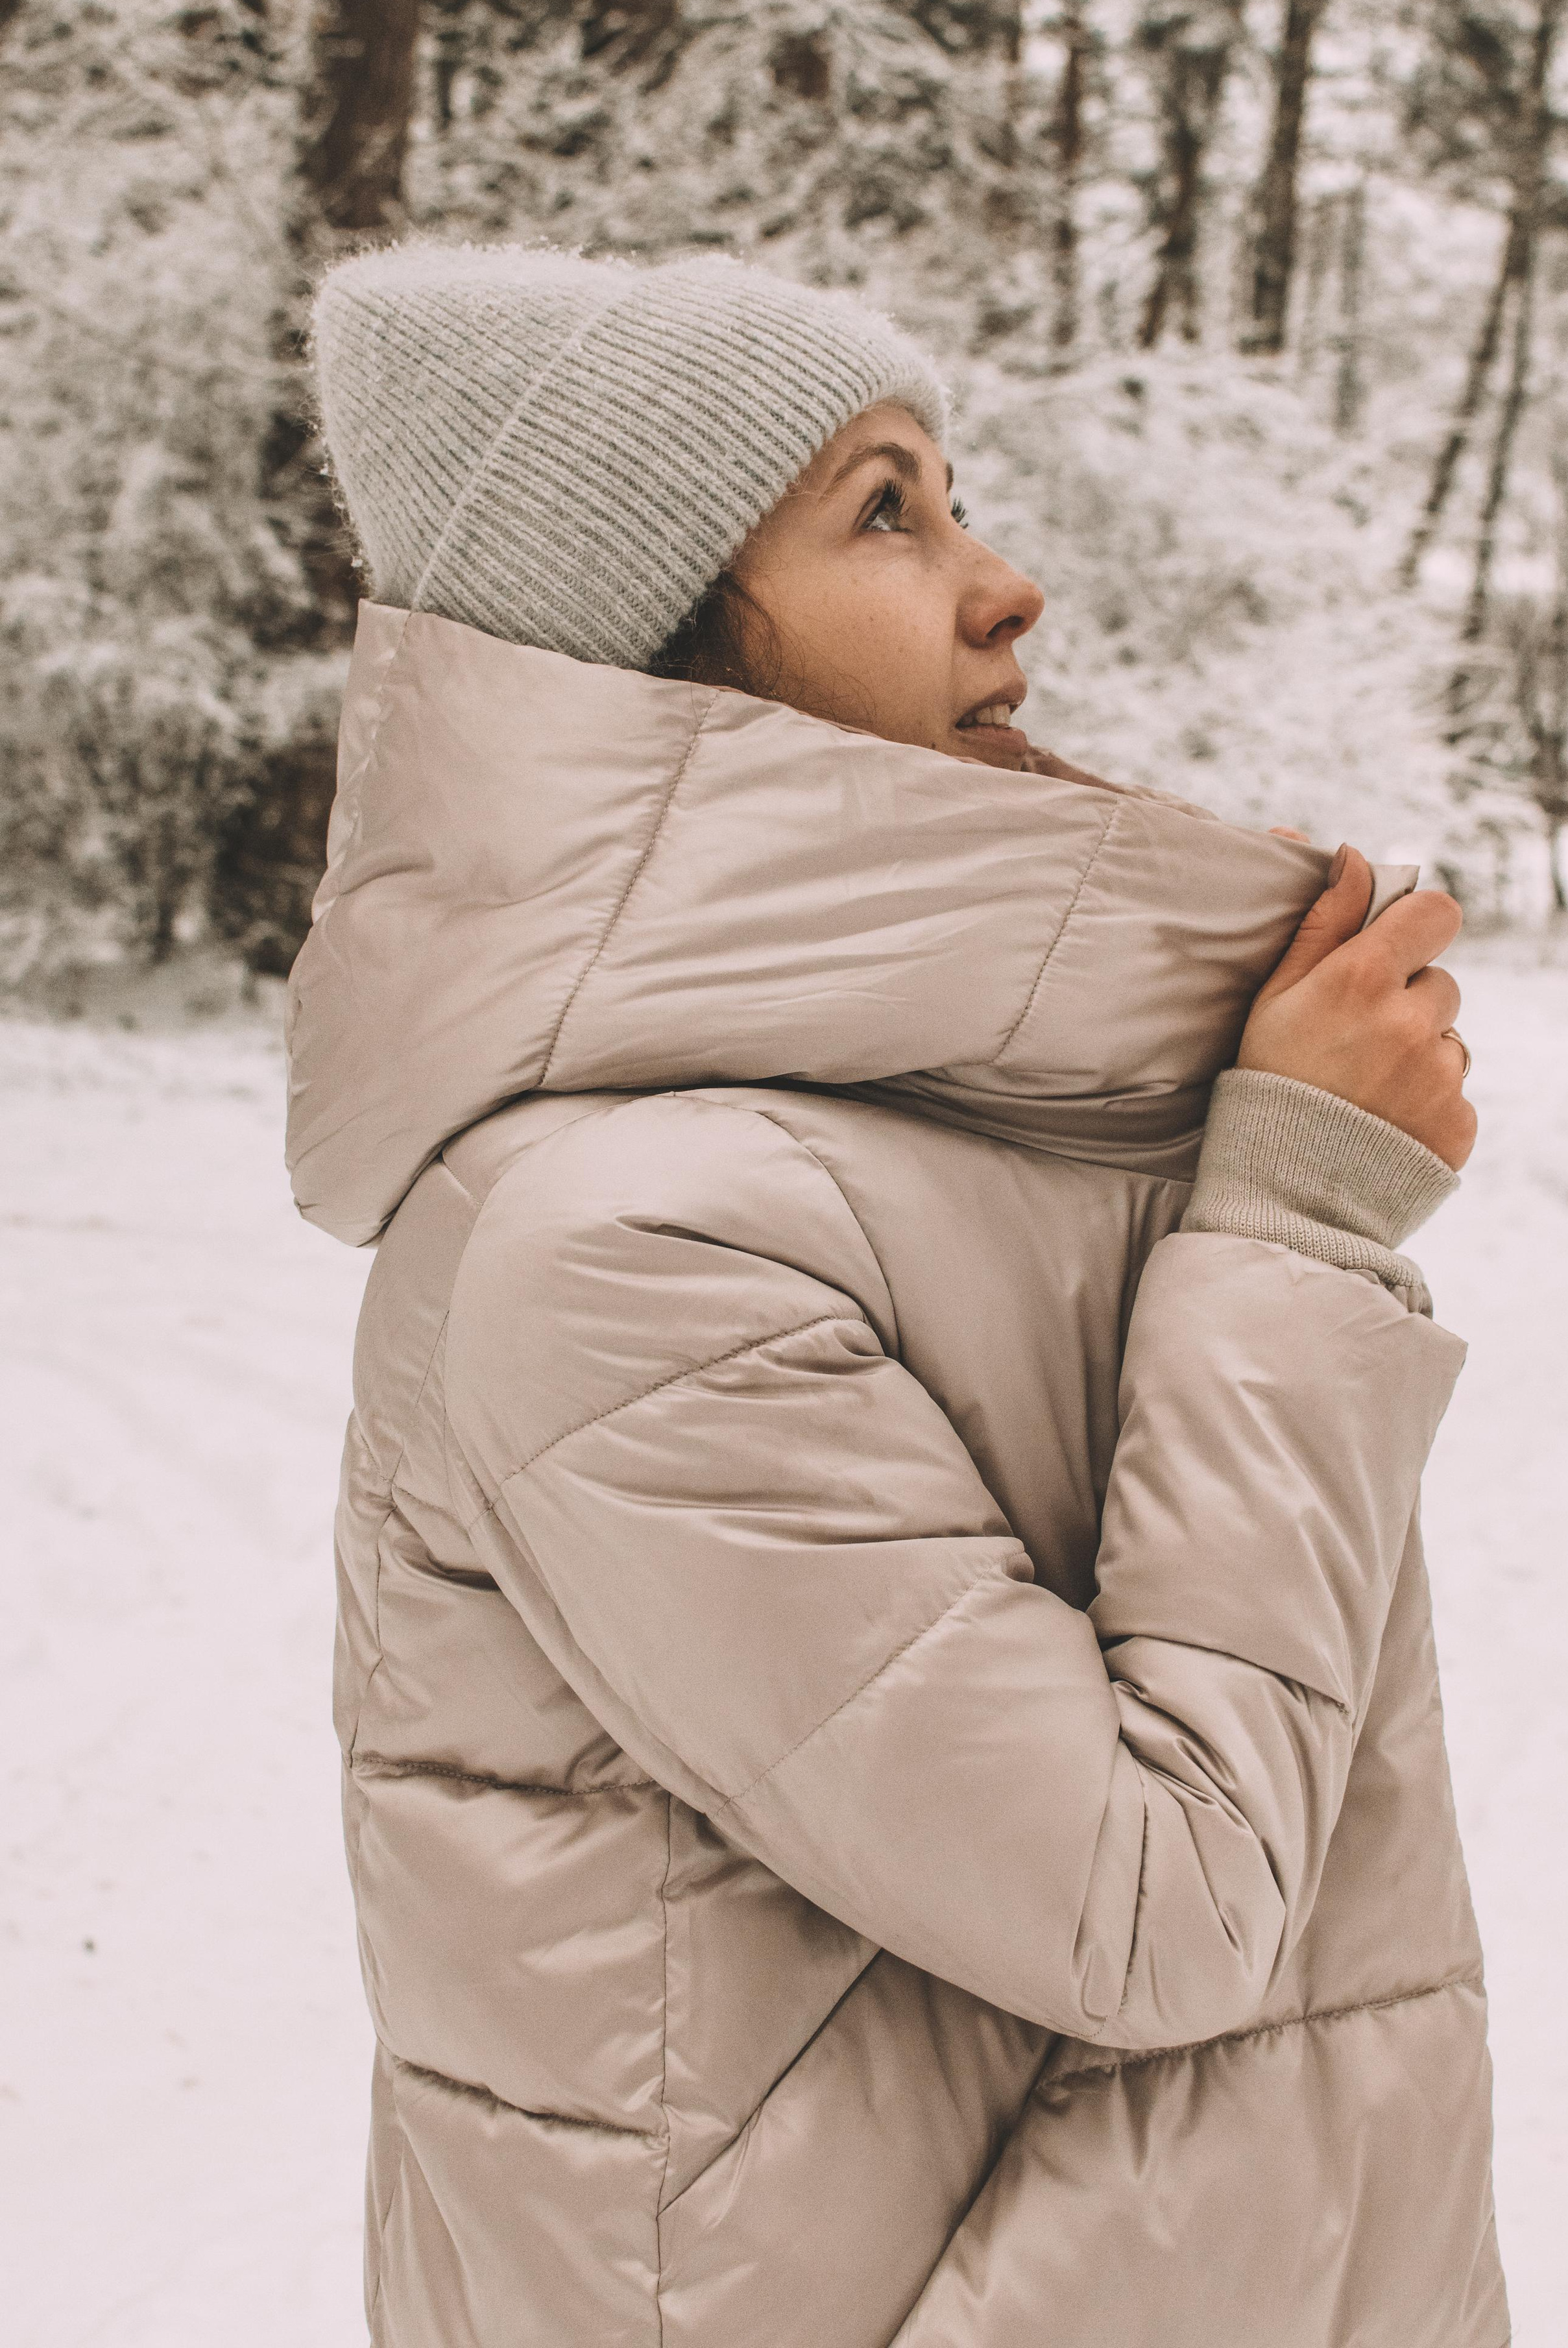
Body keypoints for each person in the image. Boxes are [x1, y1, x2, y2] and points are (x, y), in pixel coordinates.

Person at [289, 243, 1506, 2348]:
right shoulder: (623, 1252)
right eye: (885, 511)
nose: (1006, 585)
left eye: (957, 497)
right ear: (654, 647)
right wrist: (1296, 1221)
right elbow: (1161, 1907)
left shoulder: (870, 1148)